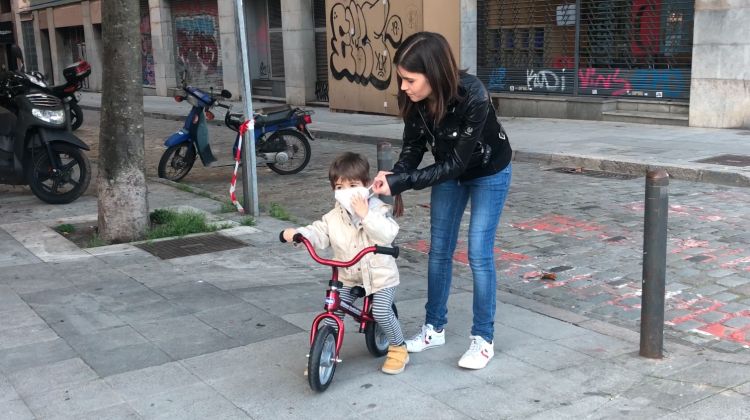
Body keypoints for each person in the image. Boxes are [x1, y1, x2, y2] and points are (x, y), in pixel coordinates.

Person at [371, 31, 513, 370]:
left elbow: (456, 164)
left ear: (433, 73)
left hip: (488, 171)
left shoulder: (474, 95)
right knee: (438, 250)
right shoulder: (416, 101)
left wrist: (404, 180)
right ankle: (434, 328)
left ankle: (483, 338)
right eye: (401, 79)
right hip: (450, 172)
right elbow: (413, 147)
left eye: (409, 79)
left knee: (478, 252)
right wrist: (395, 176)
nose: (403, 87)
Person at [282, 152, 408, 374]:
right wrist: (298, 234)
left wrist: (366, 214)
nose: (346, 192)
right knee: (334, 309)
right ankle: (323, 353)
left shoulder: (379, 210)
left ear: (367, 185)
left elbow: (388, 234)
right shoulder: (333, 217)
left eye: (353, 185)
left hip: (380, 275)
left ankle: (398, 348)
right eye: (340, 187)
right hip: (348, 274)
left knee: (380, 311)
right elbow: (318, 232)